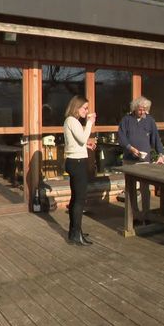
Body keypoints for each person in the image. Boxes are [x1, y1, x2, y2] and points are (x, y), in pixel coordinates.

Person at [118, 96, 164, 221]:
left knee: (145, 188)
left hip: (144, 161)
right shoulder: (126, 120)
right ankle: (133, 213)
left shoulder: (150, 121)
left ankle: (146, 214)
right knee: (131, 188)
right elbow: (121, 138)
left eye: (145, 109)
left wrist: (160, 155)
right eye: (140, 110)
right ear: (134, 109)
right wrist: (130, 148)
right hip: (129, 159)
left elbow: (156, 139)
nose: (143, 112)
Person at [63, 95, 97, 246]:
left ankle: (74, 231)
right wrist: (90, 123)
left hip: (74, 161)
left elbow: (76, 142)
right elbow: (82, 138)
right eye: (85, 108)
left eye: (87, 108)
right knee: (80, 199)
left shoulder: (70, 121)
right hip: (77, 163)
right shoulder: (72, 120)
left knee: (75, 198)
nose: (87, 111)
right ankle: (76, 233)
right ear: (77, 108)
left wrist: (86, 146)